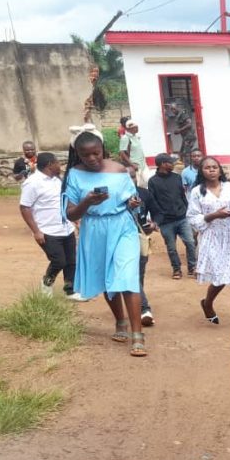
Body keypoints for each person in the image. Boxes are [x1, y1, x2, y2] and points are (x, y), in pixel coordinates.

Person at [62, 129, 146, 357]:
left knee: (127, 277)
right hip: (94, 229)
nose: (92, 159)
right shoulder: (73, 175)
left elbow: (129, 200)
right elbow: (70, 214)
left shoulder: (119, 169)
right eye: (85, 155)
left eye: (96, 153)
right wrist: (87, 201)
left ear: (103, 151)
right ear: (77, 154)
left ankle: (137, 334)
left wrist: (133, 201)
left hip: (122, 227)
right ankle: (120, 320)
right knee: (107, 279)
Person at [19, 152, 84, 301]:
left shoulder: (57, 180)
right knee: (58, 261)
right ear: (50, 165)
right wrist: (36, 231)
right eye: (57, 163)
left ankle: (70, 290)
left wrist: (74, 220)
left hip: (66, 228)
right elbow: (24, 208)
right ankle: (46, 284)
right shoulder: (32, 183)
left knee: (71, 261)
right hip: (47, 231)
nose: (60, 166)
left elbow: (63, 201)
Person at [188, 156, 230, 324]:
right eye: (207, 167)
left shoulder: (229, 187)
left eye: (215, 167)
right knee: (220, 279)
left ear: (220, 170)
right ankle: (207, 303)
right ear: (201, 171)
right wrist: (213, 215)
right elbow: (192, 216)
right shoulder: (197, 191)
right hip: (211, 237)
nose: (211, 170)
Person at [148, 153, 197, 279]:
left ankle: (192, 267)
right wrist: (157, 220)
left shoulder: (177, 177)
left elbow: (182, 196)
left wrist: (187, 210)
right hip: (166, 221)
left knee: (190, 242)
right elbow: (152, 201)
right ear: (163, 164)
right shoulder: (153, 181)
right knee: (171, 248)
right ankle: (176, 269)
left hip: (182, 217)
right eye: (171, 162)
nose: (173, 164)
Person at [128, 165, 161, 327]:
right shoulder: (112, 196)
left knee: (138, 275)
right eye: (127, 177)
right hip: (121, 241)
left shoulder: (144, 193)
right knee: (132, 275)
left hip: (141, 239)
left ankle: (135, 302)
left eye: (133, 176)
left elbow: (157, 212)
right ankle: (144, 309)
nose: (131, 180)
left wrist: (154, 224)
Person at [119, 120, 151, 187]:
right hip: (135, 165)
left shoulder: (136, 136)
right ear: (128, 129)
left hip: (143, 164)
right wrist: (132, 164)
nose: (137, 129)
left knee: (148, 182)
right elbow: (122, 153)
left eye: (137, 127)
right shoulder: (125, 138)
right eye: (135, 127)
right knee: (137, 185)